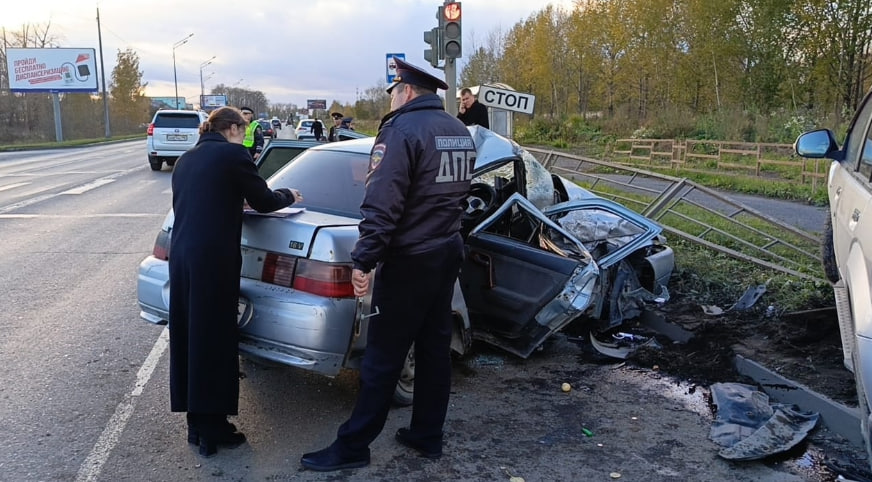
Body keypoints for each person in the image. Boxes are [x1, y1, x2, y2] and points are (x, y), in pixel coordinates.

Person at [301, 57, 474, 472]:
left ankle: (353, 447)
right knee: (434, 348)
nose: (392, 98)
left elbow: (383, 203)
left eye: (394, 90)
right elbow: (460, 194)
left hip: (410, 258)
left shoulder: (400, 132)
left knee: (382, 356)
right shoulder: (458, 130)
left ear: (407, 91)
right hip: (446, 250)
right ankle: (427, 434)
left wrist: (364, 261)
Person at [168, 106, 303, 458]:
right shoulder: (233, 155)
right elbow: (265, 200)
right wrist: (290, 195)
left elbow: (203, 201)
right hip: (213, 260)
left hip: (182, 257)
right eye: (242, 130)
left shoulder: (187, 159)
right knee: (214, 339)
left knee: (190, 336)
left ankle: (196, 424)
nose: (244, 135)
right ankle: (215, 429)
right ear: (230, 128)